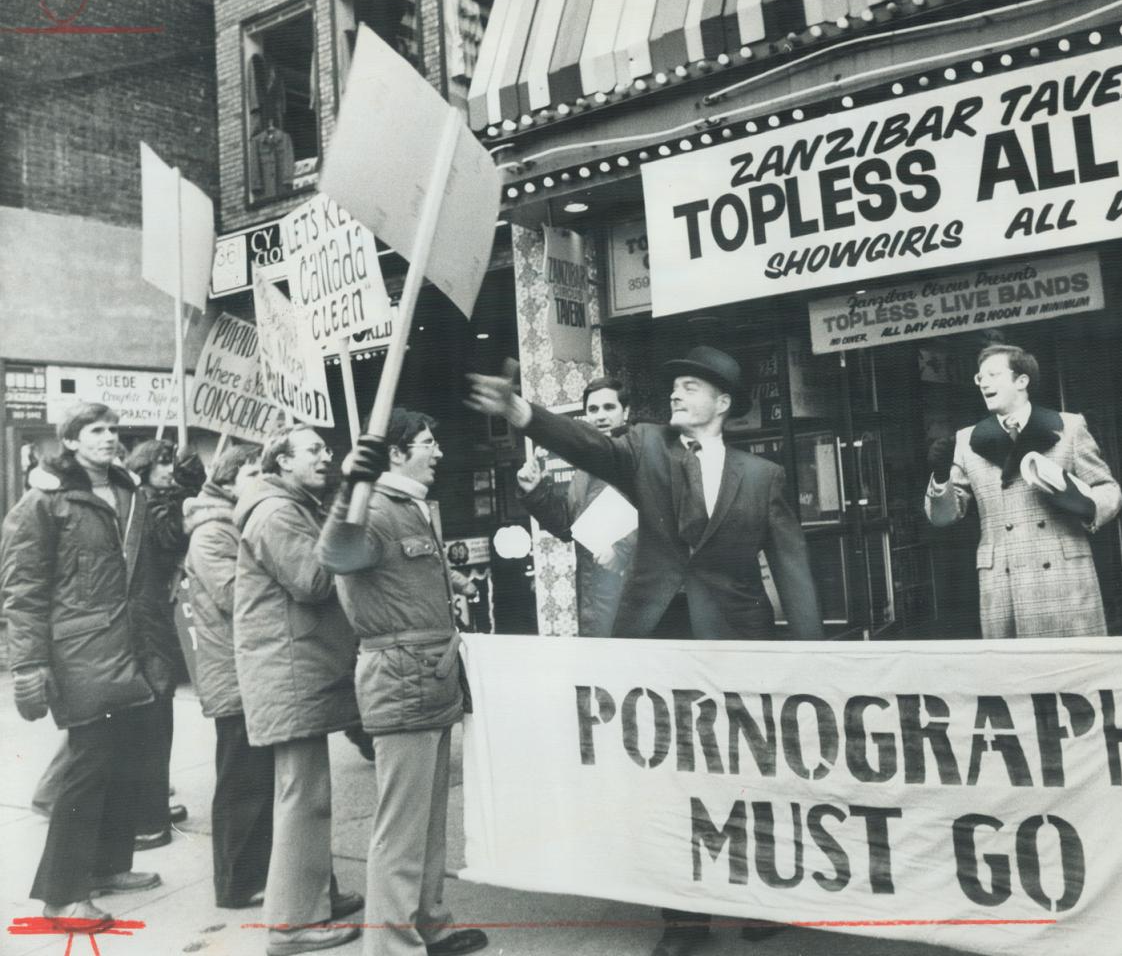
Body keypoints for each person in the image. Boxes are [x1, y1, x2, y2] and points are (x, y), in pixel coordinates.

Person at [468, 346, 820, 956]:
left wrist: (814, 654)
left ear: (723, 403)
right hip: (655, 640)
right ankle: (682, 920)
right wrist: (523, 412)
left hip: (736, 641)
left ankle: (764, 895)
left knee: (747, 771)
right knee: (671, 781)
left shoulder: (762, 476)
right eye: (675, 386)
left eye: (690, 387)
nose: (677, 395)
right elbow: (588, 446)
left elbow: (791, 565)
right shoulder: (645, 446)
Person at [317, 409, 488, 956]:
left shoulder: (410, 507)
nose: (437, 452)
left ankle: (428, 922)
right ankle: (392, 947)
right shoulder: (375, 509)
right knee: (400, 829)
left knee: (429, 821)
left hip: (430, 677)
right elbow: (336, 553)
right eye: (427, 442)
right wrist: (352, 483)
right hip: (401, 679)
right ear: (395, 453)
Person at [1, 403, 163, 929]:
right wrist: (28, 664)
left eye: (114, 430)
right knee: (87, 767)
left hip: (130, 647)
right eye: (96, 430)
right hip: (80, 652)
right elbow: (23, 591)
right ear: (70, 441)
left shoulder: (130, 492)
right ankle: (62, 895)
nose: (110, 438)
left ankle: (108, 866)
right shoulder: (44, 501)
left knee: (124, 758)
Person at [235, 426, 363, 956]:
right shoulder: (275, 512)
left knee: (307, 795)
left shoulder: (289, 505)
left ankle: (312, 903)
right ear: (282, 461)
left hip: (297, 666)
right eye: (313, 450)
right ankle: (292, 926)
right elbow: (312, 580)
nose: (325, 457)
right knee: (301, 798)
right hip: (289, 671)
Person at [924, 344, 1122, 638]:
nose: (984, 383)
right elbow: (943, 517)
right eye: (980, 378)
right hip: (1003, 583)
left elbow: (1109, 488)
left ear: (1022, 381)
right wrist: (941, 478)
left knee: (1074, 675)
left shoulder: (1069, 427)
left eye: (993, 374)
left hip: (1064, 579)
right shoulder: (967, 440)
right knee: (1019, 677)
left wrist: (1087, 504)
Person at [183, 444, 272, 909]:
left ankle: (255, 876)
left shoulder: (238, 523)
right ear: (229, 479)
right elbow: (237, 595)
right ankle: (238, 883)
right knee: (243, 783)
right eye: (252, 472)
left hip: (251, 668)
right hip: (236, 672)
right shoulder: (212, 532)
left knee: (258, 781)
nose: (260, 479)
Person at [121, 438, 201, 850]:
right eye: (164, 463)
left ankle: (151, 807)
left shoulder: (147, 498)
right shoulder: (151, 500)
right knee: (156, 710)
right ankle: (149, 818)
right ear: (146, 467)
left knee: (156, 712)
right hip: (148, 616)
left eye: (172, 463)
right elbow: (172, 537)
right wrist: (180, 490)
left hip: (150, 612)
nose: (169, 470)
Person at [516, 376, 635, 637]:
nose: (600, 416)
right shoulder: (584, 470)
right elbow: (568, 528)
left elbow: (667, 515)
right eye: (593, 409)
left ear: (625, 412)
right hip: (594, 596)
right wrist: (535, 490)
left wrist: (623, 549)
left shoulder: (641, 454)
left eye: (609, 407)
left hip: (636, 595)